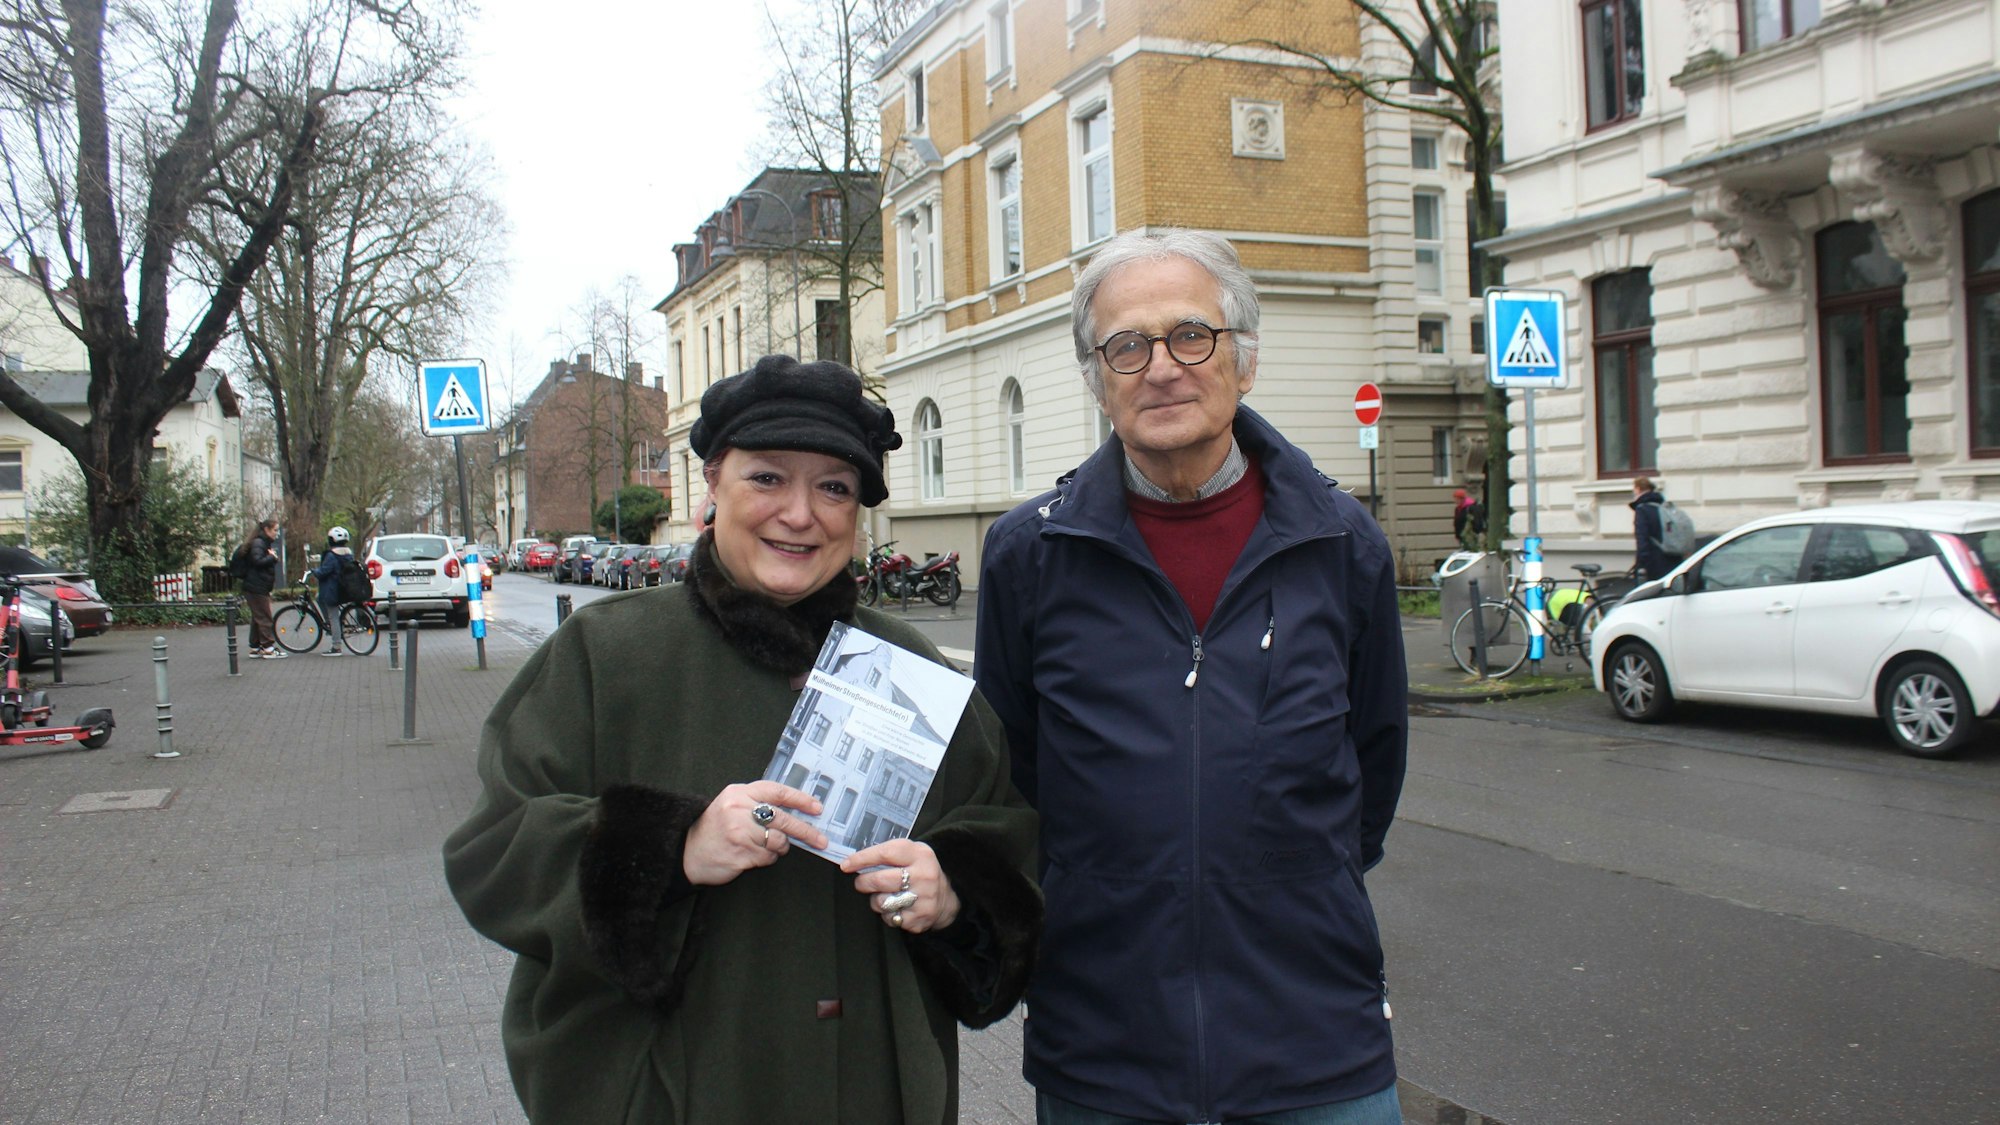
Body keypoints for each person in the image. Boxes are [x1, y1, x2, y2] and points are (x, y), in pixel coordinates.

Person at [443, 355, 1041, 1125]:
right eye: (767, 478)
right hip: (670, 1098)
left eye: (834, 487)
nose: (801, 513)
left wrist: (952, 894)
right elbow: (494, 850)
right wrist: (674, 846)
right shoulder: (605, 654)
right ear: (711, 486)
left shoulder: (916, 672)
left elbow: (1007, 843)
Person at [976, 228, 1409, 1124]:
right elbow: (1014, 776)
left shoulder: (1341, 542)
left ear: (1244, 359)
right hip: (1105, 1045)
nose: (1162, 367)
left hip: (1317, 1040)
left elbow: (1373, 766)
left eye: (1190, 335)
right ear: (1098, 379)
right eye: (1126, 346)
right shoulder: (1029, 555)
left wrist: (1291, 878)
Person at [239, 519, 284, 658]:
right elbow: (257, 561)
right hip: (256, 586)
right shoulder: (259, 543)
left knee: (257, 617)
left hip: (256, 585)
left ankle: (255, 646)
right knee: (264, 617)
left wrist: (271, 557)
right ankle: (268, 648)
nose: (277, 533)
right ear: (266, 529)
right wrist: (272, 557)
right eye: (275, 530)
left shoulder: (261, 543)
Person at [310, 527, 356, 655]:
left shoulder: (331, 555)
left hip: (332, 590)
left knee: (333, 617)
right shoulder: (348, 554)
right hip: (344, 589)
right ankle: (330, 624)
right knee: (319, 598)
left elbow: (324, 571)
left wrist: (314, 571)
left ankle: (336, 646)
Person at [1630, 476, 1669, 580]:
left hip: (1653, 561)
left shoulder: (1642, 509)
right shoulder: (1663, 506)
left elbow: (1642, 538)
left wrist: (1641, 564)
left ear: (1638, 489)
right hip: (1671, 559)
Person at [1452, 487, 1482, 552]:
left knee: (1472, 551)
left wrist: (1475, 533)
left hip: (1470, 536)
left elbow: (1476, 522)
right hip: (1462, 536)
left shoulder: (1471, 507)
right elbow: (1457, 523)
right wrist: (1457, 536)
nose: (1455, 501)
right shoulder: (1457, 509)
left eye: (1457, 499)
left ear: (1462, 499)